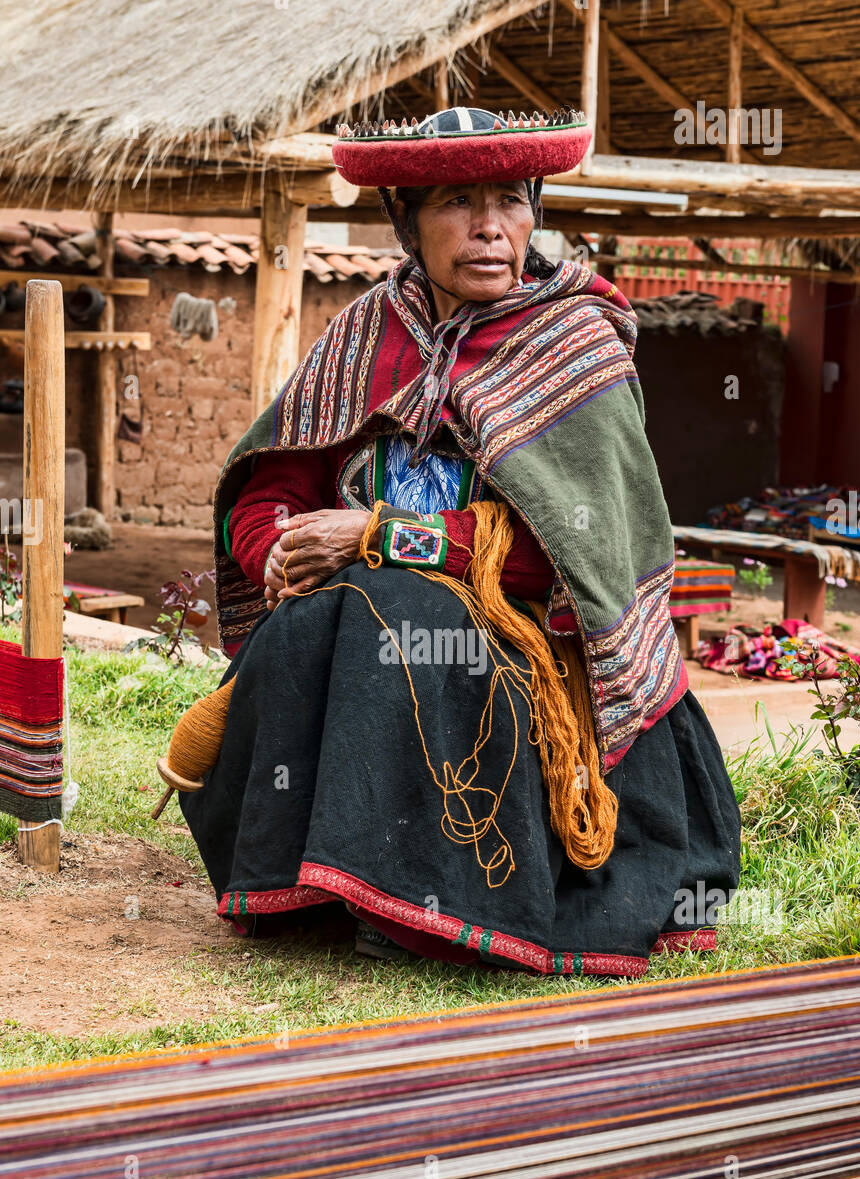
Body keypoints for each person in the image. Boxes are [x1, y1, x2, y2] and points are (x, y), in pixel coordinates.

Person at [180, 106, 741, 977]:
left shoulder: (573, 345)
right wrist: (279, 550)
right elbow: (273, 488)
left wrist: (378, 533)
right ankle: (313, 883)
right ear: (404, 220)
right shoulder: (371, 333)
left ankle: (429, 902)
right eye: (456, 202)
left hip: (533, 653)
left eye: (511, 200)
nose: (489, 228)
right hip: (367, 627)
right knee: (321, 620)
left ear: (535, 212)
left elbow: (574, 555)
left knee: (392, 608)